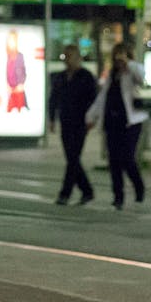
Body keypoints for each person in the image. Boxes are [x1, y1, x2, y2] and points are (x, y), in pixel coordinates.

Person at [85, 42, 147, 210]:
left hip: (131, 121)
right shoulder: (112, 75)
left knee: (127, 158)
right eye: (116, 56)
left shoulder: (133, 71)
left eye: (122, 55)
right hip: (113, 122)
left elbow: (142, 77)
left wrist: (129, 64)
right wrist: (91, 117)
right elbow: (102, 98)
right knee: (114, 161)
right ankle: (118, 196)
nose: (119, 60)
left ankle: (139, 187)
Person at [47, 44, 98, 205]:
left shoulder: (86, 77)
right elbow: (53, 98)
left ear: (78, 58)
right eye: (65, 57)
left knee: (73, 158)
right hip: (66, 121)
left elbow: (93, 100)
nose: (67, 61)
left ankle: (65, 193)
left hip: (81, 122)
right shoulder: (60, 77)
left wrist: (92, 119)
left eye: (70, 57)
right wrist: (52, 118)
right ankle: (87, 190)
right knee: (71, 158)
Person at [4, 30, 29, 112]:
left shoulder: (20, 56)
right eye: (10, 40)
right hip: (10, 91)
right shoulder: (6, 57)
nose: (12, 43)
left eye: (13, 40)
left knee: (20, 110)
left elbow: (24, 72)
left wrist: (21, 84)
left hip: (19, 92)